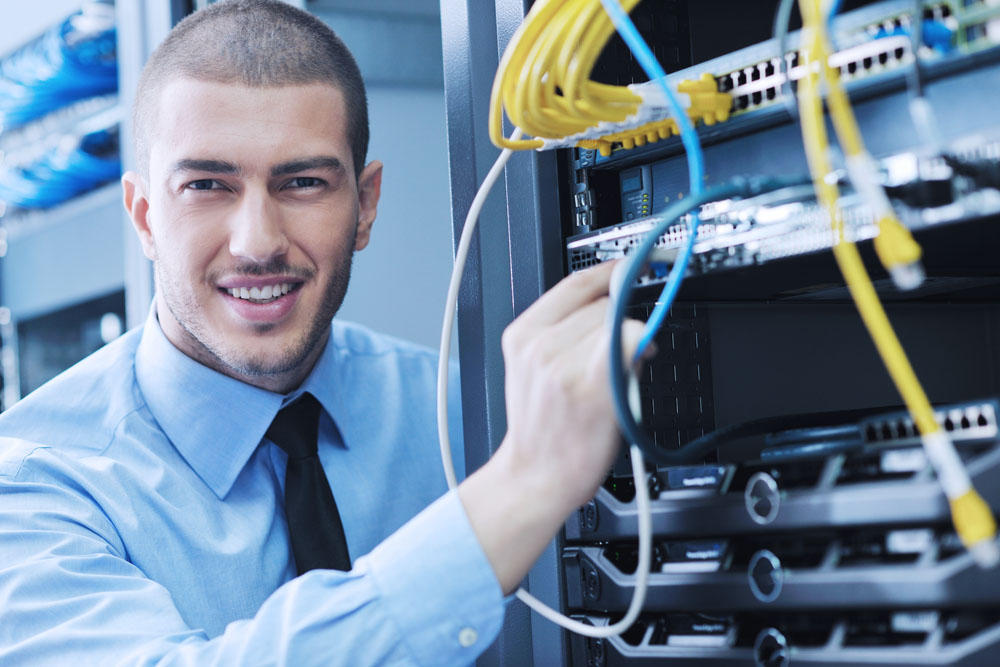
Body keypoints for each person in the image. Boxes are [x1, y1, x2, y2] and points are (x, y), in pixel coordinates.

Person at [0, 1, 643, 664]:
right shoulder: (33, 485)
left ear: (365, 206)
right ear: (144, 215)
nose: (258, 243)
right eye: (206, 185)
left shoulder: (463, 412)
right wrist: (521, 488)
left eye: (303, 182)